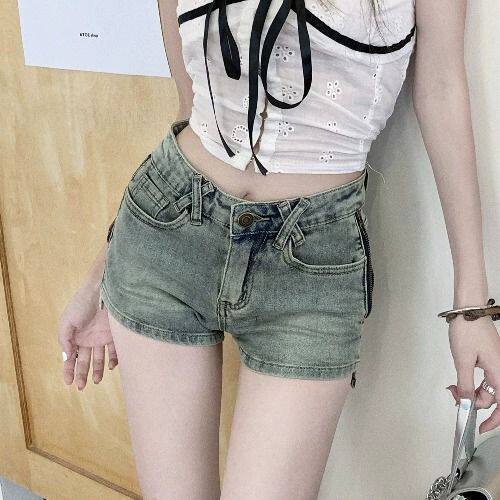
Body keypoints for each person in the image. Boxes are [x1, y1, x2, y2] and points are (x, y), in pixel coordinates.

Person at [58, 0, 500, 498]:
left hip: (313, 263)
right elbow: (189, 108)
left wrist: (472, 309)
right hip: (166, 235)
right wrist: (99, 279)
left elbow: (441, 89)